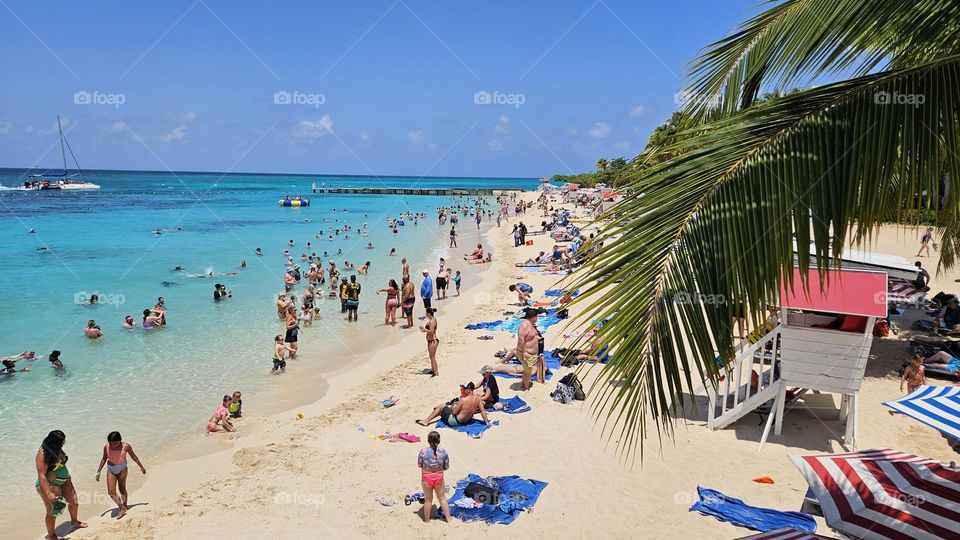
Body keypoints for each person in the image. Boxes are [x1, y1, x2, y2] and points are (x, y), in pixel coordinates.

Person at [36, 430, 86, 538]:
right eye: (62, 442)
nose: (63, 443)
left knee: (74, 502)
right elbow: (41, 475)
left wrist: (67, 476)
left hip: (64, 481)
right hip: (51, 485)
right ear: (54, 442)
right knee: (52, 511)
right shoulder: (42, 454)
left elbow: (60, 464)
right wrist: (48, 493)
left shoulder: (57, 449)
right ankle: (51, 535)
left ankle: (74, 521)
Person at [95, 431, 146, 519]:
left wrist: (141, 467)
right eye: (111, 443)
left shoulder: (126, 446)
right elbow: (103, 458)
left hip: (122, 469)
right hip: (111, 469)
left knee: (122, 489)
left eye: (116, 443)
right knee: (111, 492)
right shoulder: (106, 447)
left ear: (120, 440)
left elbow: (134, 456)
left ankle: (125, 506)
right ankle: (122, 508)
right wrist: (98, 471)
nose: (113, 445)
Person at [417, 431, 451, 524]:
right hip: (439, 477)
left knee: (428, 500)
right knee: (442, 498)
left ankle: (427, 520)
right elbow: (446, 467)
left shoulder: (423, 452)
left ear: (428, 440)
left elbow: (419, 465)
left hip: (426, 477)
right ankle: (449, 519)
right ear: (439, 440)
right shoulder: (443, 452)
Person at [416, 387, 489, 427]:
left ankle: (426, 421)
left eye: (464, 389)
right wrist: (486, 422)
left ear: (469, 390)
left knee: (442, 406)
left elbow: (454, 413)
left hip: (455, 422)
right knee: (451, 406)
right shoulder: (479, 399)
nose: (463, 390)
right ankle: (439, 411)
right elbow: (482, 411)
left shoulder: (463, 399)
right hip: (467, 421)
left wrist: (453, 407)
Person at [421, 308, 439, 376]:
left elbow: (432, 332)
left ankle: (436, 372)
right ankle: (433, 369)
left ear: (429, 313)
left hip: (433, 341)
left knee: (433, 357)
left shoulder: (432, 321)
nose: (425, 314)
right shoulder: (431, 320)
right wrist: (424, 330)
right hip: (431, 340)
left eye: (426, 313)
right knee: (431, 356)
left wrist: (424, 329)